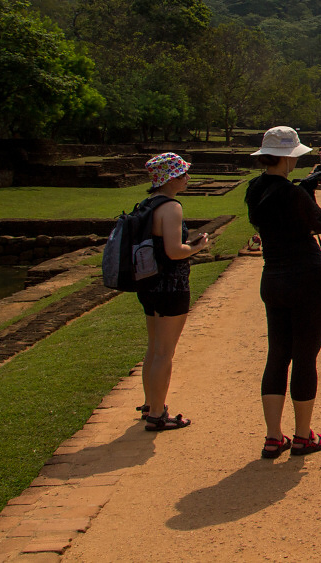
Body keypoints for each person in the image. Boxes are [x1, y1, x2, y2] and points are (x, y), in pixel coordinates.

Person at [246, 125, 321, 458]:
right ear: (288, 158)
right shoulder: (294, 194)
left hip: (273, 276)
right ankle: (303, 435)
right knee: (304, 357)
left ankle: (274, 436)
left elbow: (273, 215)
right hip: (307, 279)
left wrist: (306, 187)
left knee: (278, 354)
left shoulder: (255, 190)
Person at [138, 152, 210, 432]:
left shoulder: (148, 204)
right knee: (165, 352)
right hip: (171, 285)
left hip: (150, 283)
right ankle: (158, 413)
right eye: (182, 174)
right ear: (170, 178)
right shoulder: (171, 207)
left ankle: (149, 403)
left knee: (154, 347)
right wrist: (198, 246)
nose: (187, 178)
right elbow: (173, 251)